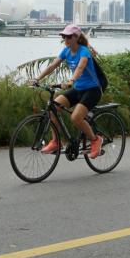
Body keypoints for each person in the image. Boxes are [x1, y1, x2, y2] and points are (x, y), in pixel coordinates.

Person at [32, 23, 103, 159]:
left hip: (92, 90)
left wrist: (71, 80)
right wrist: (37, 79)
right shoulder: (66, 51)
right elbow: (53, 65)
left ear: (76, 37)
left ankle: (95, 140)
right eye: (64, 37)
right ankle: (56, 142)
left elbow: (80, 67)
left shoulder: (84, 51)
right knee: (53, 108)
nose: (66, 40)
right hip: (78, 89)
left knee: (75, 117)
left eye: (69, 37)